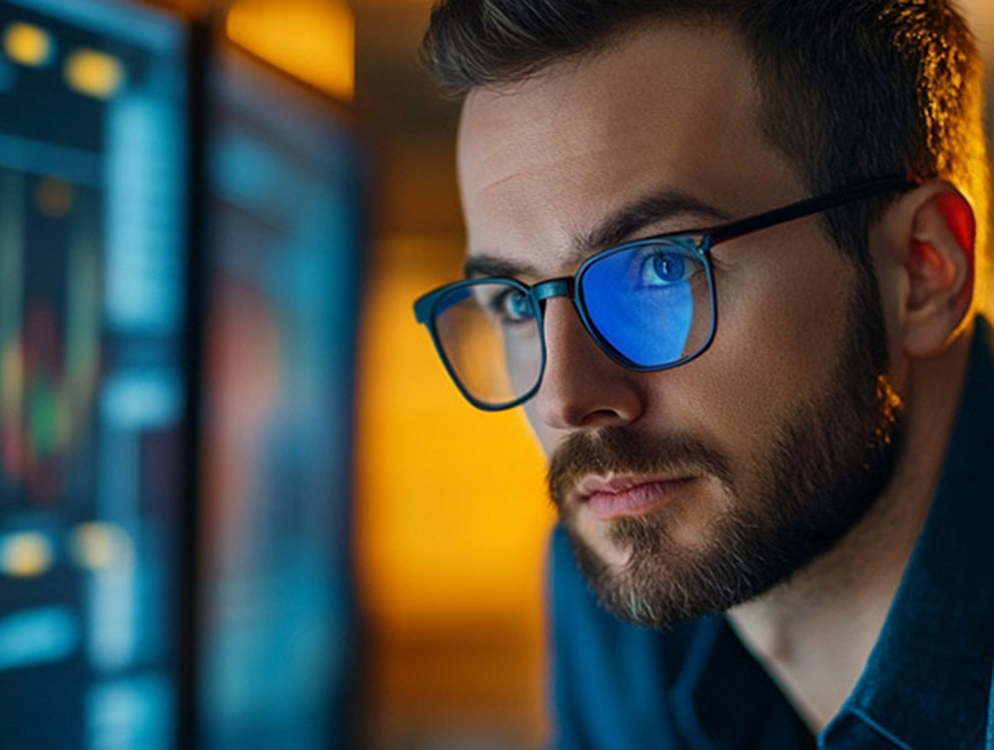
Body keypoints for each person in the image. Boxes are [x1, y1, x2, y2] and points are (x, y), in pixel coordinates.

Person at [411, 0, 994, 747]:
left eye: (659, 268)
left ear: (922, 270)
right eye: (516, 306)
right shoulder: (617, 583)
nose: (567, 400)